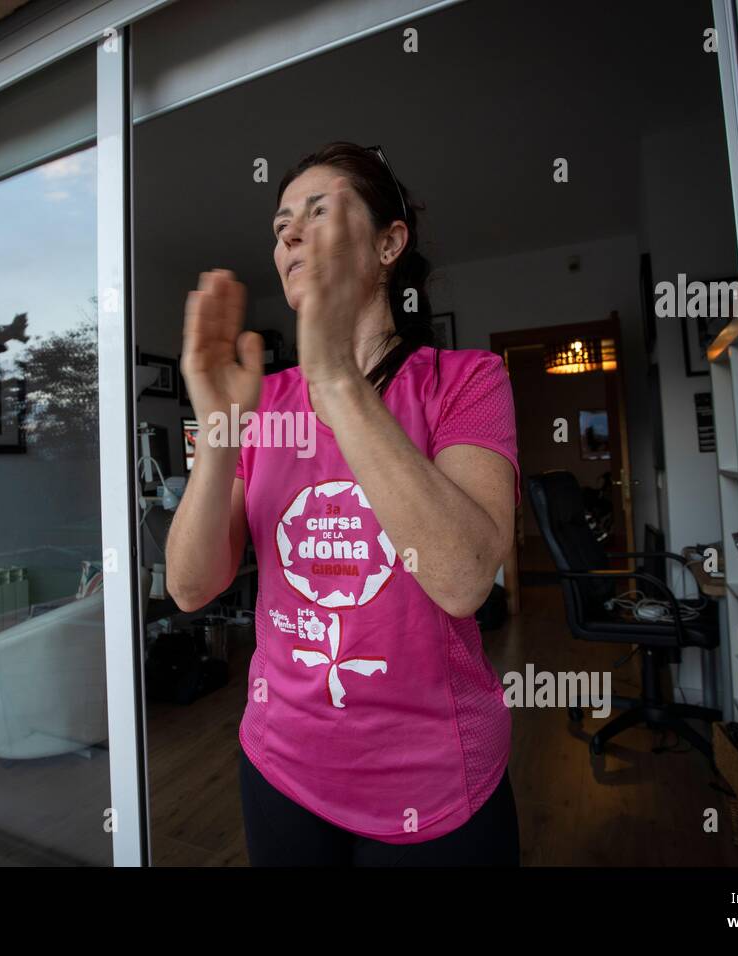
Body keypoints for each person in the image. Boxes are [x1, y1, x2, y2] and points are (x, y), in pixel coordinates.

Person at [166, 142, 521, 866]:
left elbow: (463, 580)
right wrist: (223, 434)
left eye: (319, 213)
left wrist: (333, 378)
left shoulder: (467, 382)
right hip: (279, 765)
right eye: (280, 224)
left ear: (390, 243)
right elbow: (192, 585)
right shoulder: (263, 402)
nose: (290, 234)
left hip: (435, 785)